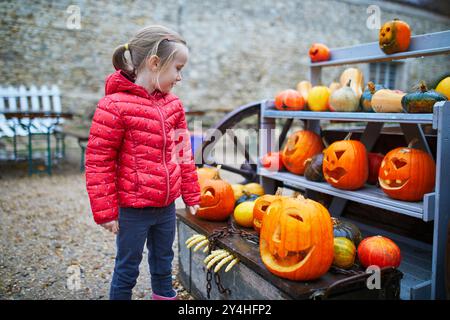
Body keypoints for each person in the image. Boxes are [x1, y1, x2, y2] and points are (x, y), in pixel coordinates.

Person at [85, 25, 200, 300]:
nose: (180, 77)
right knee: (127, 268)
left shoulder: (174, 105)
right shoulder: (113, 106)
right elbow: (98, 160)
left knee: (164, 263)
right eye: (178, 68)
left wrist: (192, 193)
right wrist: (106, 211)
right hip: (133, 209)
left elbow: (184, 152)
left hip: (166, 206)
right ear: (155, 63)